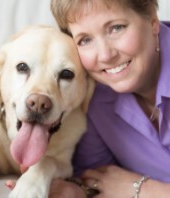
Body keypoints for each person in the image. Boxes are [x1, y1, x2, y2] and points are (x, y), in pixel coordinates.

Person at [50, 0, 170, 197]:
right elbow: (99, 180)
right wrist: (75, 191)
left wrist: (144, 190)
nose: (105, 55)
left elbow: (123, 188)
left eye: (116, 28)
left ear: (152, 21)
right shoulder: (93, 99)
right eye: (85, 40)